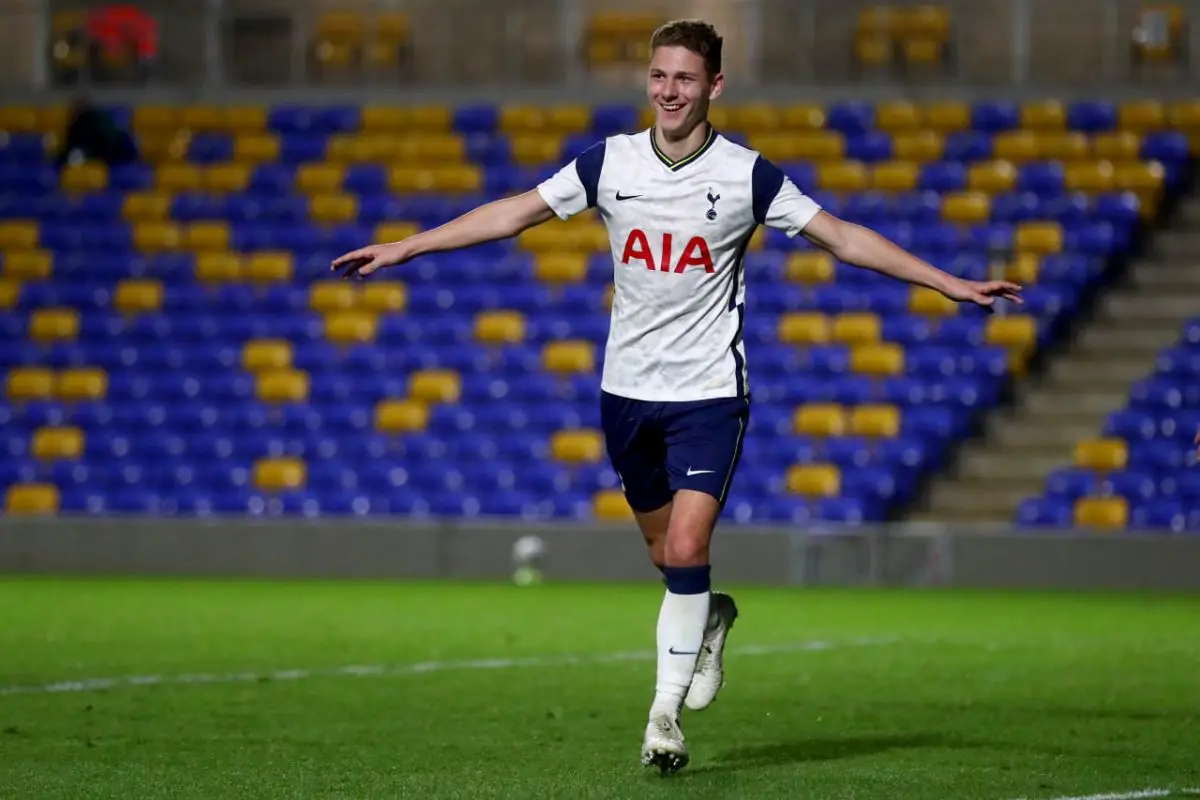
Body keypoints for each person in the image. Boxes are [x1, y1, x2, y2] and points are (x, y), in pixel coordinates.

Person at [331, 19, 1023, 774]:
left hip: (709, 395)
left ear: (714, 87)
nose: (669, 91)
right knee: (668, 557)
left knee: (689, 546)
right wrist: (407, 245)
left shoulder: (746, 176)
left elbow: (844, 237)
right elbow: (513, 214)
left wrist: (947, 282)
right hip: (625, 393)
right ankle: (711, 613)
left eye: (685, 79)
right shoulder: (610, 162)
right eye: (660, 76)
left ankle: (663, 718)